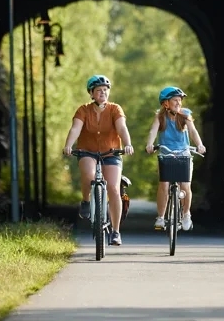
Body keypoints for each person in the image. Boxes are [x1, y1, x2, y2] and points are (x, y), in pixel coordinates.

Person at [62, 75, 135, 246]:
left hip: (111, 153)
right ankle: (86, 201)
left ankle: (116, 232)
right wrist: (68, 145)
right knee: (89, 174)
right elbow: (75, 128)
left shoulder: (115, 109)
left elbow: (122, 127)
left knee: (114, 189)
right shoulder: (83, 110)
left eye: (105, 90)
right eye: (98, 91)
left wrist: (128, 144)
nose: (103, 93)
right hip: (87, 152)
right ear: (91, 94)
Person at [146, 86, 206, 231]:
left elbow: (192, 131)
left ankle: (186, 214)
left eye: (180, 100)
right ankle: (160, 217)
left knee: (185, 185)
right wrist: (150, 144)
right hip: (166, 153)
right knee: (164, 185)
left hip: (183, 153)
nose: (179, 103)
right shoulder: (160, 116)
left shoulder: (185, 114)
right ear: (166, 103)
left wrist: (199, 144)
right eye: (175, 100)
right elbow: (153, 130)